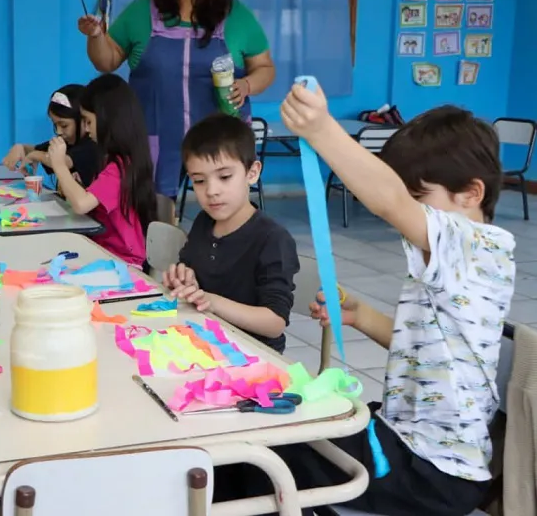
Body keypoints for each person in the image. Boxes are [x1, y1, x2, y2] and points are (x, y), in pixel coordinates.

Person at [220, 92, 514, 515]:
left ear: (471, 194)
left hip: (431, 473)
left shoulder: (479, 247)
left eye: (419, 198)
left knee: (265, 451)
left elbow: (388, 200)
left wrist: (321, 129)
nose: (408, 214)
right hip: (408, 448)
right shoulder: (454, 261)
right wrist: (361, 317)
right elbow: (432, 354)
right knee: (273, 433)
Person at [79, 0, 275, 198]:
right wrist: (97, 35)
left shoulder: (235, 14)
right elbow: (106, 61)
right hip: (154, 136)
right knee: (159, 216)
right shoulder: (142, 10)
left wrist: (247, 85)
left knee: (221, 205)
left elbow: (265, 68)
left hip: (219, 137)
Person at [163, 114, 298, 352]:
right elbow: (190, 265)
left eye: (225, 177)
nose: (212, 191)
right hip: (203, 341)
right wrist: (185, 277)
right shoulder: (205, 222)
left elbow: (275, 323)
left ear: (252, 173)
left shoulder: (272, 239)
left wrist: (212, 302)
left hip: (252, 356)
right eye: (199, 180)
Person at [47, 74, 156, 267]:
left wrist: (59, 166)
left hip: (123, 262)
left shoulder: (120, 166)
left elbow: (82, 205)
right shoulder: (113, 159)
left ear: (108, 119)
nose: (87, 129)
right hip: (104, 250)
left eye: (89, 121)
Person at [2, 84, 100, 186]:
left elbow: (62, 161)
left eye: (64, 125)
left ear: (84, 120)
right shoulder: (66, 141)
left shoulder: (92, 144)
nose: (58, 131)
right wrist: (20, 147)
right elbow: (37, 149)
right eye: (55, 124)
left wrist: (35, 155)